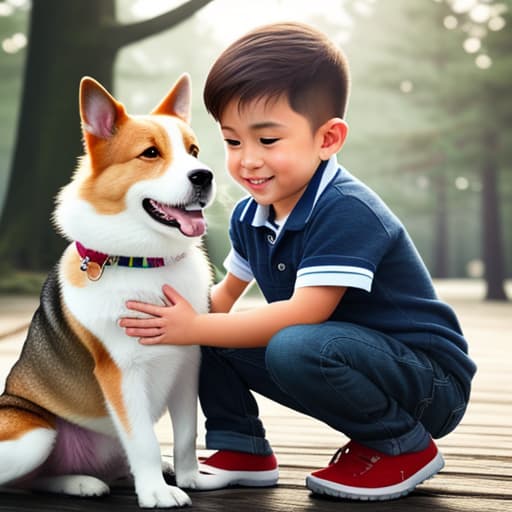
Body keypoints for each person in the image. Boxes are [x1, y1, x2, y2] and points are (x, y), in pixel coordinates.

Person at [120, 22, 477, 501]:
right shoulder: (252, 213)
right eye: (231, 141)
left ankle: (402, 446)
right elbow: (223, 298)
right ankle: (241, 446)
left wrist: (192, 328)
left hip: (428, 383)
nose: (247, 160)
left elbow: (305, 313)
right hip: (341, 354)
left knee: (288, 343)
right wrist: (164, 314)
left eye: (267, 141)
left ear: (327, 139)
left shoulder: (346, 209)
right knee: (210, 321)